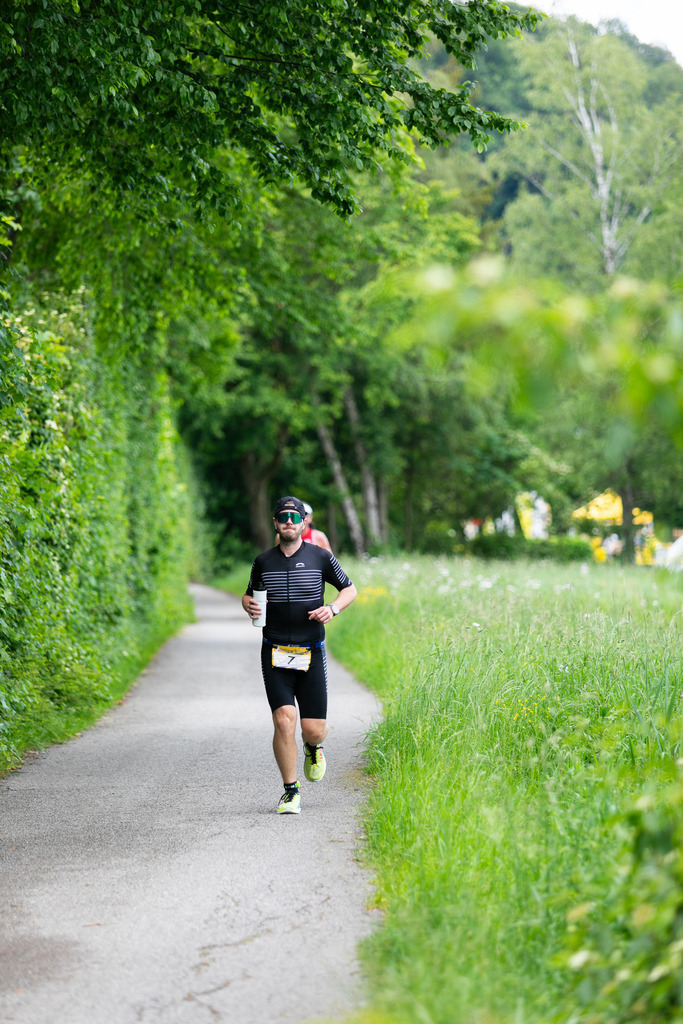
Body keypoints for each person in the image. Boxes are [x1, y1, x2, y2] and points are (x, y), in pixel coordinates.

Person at [242, 495, 357, 814]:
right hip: (275, 651)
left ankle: (314, 746)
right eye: (283, 517)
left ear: (304, 522)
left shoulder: (320, 556)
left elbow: (350, 589)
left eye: (295, 517)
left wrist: (332, 609)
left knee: (312, 728)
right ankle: (290, 791)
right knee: (283, 720)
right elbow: (251, 595)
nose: (289, 522)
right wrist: (246, 603)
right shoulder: (263, 561)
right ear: (275, 523)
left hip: (311, 652)